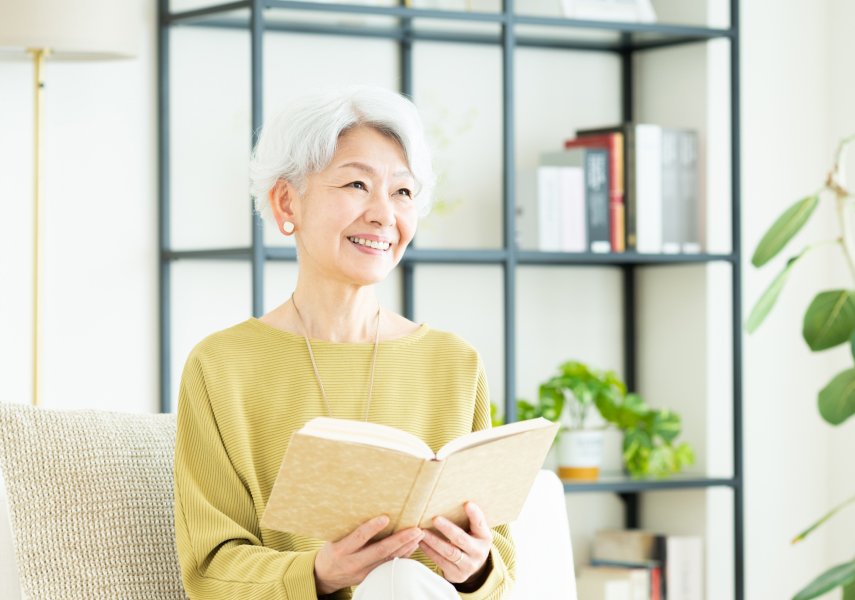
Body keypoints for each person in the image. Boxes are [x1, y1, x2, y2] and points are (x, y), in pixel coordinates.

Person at [172, 85, 516, 600]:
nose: (384, 215)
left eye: (402, 192)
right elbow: (210, 568)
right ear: (287, 200)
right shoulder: (222, 367)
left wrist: (476, 568)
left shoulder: (455, 363)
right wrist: (320, 572)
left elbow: (501, 564)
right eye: (357, 184)